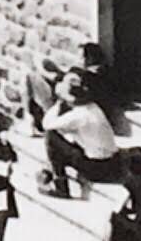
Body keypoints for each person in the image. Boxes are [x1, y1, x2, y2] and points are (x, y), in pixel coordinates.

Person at [39, 44, 127, 198]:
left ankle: (60, 185)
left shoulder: (78, 115)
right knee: (67, 141)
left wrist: (59, 103)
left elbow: (47, 124)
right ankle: (51, 171)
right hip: (111, 161)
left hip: (97, 168)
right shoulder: (92, 107)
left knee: (51, 137)